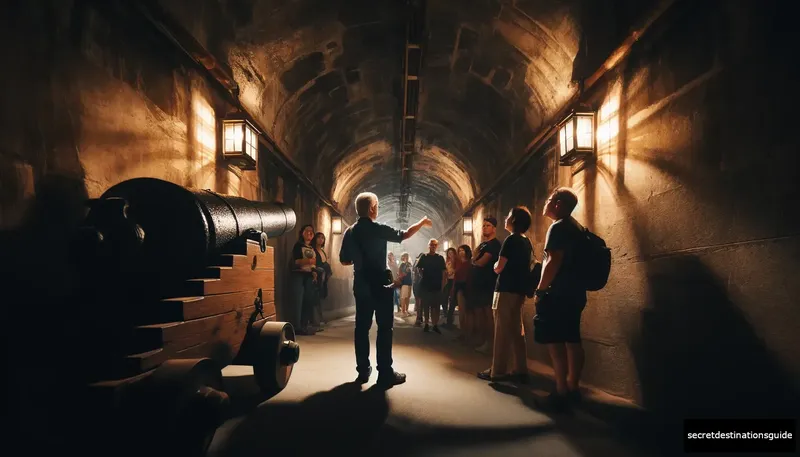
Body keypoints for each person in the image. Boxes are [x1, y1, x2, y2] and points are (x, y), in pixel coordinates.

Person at [339, 192, 432, 387]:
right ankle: (385, 373)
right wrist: (422, 222)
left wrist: (360, 260)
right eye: (377, 205)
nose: (378, 208)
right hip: (381, 284)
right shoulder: (378, 228)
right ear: (372, 208)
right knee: (384, 328)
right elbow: (404, 234)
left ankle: (363, 371)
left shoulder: (350, 232)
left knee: (361, 328)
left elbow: (344, 259)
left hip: (361, 283)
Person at [534, 187, 587, 410]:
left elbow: (553, 261)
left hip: (557, 293)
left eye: (548, 200)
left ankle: (560, 391)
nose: (545, 203)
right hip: (575, 292)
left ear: (558, 204)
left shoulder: (558, 227)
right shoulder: (578, 227)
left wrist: (540, 289)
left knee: (555, 342)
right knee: (573, 339)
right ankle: (573, 386)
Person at [478, 206, 532, 382]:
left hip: (505, 290)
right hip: (520, 291)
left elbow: (499, 267)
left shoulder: (510, 241)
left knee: (501, 330)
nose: (506, 219)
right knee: (517, 330)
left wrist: (495, 266)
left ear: (514, 221)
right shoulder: (526, 241)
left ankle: (498, 370)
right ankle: (520, 368)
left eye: (509, 216)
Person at [471, 216, 502, 354]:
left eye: (488, 225)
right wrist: (474, 260)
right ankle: (482, 340)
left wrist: (474, 261)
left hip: (488, 284)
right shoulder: (483, 244)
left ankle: (490, 343)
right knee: (480, 314)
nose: (485, 227)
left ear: (494, 228)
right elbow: (474, 258)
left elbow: (480, 262)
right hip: (479, 284)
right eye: (483, 225)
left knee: (488, 314)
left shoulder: (494, 245)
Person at [289, 224, 317, 335]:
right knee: (298, 300)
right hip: (299, 275)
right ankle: (297, 326)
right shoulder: (298, 246)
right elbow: (296, 261)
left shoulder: (312, 248)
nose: (310, 233)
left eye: (312, 232)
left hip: (309, 276)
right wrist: (308, 261)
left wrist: (314, 272)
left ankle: (304, 325)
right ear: (302, 233)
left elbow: (314, 263)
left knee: (307, 300)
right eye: (307, 231)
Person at [417, 239, 446, 334]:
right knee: (426, 305)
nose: (433, 246)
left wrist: (443, 284)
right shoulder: (424, 257)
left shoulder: (440, 258)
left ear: (436, 246)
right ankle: (426, 323)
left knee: (436, 306)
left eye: (435, 245)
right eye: (431, 245)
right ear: (428, 246)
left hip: (436, 284)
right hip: (426, 284)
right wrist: (422, 275)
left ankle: (435, 324)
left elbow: (443, 271)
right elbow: (418, 268)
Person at [311, 232, 332, 330]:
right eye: (319, 237)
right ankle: (315, 321)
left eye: (322, 238)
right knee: (315, 298)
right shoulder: (313, 250)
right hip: (317, 276)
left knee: (320, 298)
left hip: (323, 278)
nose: (320, 240)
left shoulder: (323, 251)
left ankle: (319, 319)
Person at [453, 245, 473, 342]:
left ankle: (467, 334)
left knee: (467, 312)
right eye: (459, 250)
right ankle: (463, 333)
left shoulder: (469, 263)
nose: (461, 252)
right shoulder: (459, 263)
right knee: (462, 312)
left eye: (463, 250)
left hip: (466, 288)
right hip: (459, 288)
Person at [442, 247, 458, 326]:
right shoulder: (447, 261)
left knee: (452, 299)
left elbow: (457, 269)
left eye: (452, 253)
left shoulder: (456, 261)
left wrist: (452, 272)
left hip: (454, 280)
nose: (450, 254)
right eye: (449, 253)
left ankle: (450, 316)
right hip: (448, 280)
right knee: (444, 296)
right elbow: (445, 270)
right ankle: (446, 312)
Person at [412, 252, 425, 326]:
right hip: (419, 283)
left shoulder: (415, 263)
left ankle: (419, 317)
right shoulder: (420, 264)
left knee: (419, 301)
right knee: (420, 302)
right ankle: (419, 317)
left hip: (416, 283)